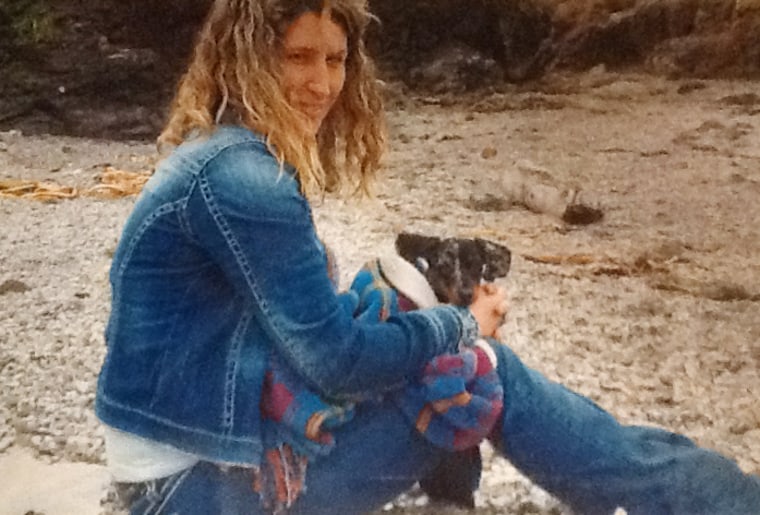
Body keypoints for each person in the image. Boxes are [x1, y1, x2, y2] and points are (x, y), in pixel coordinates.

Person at [95, 1, 760, 514]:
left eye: (335, 59)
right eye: (298, 57)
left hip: (183, 465)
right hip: (193, 491)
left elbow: (301, 333)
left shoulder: (224, 157)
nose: (321, 82)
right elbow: (338, 361)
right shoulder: (247, 182)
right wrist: (463, 323)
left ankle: (461, 488)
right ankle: (720, 497)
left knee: (426, 340)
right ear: (247, 59)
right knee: (482, 367)